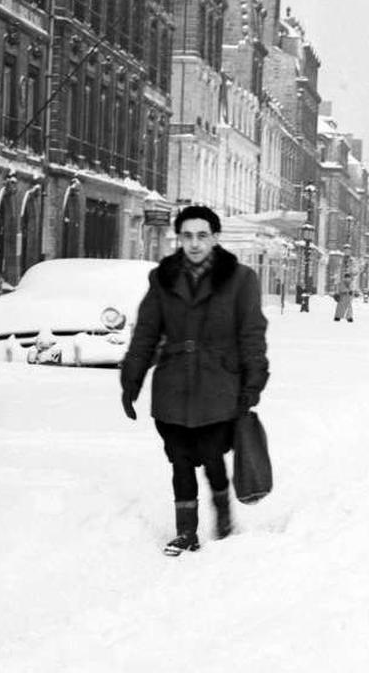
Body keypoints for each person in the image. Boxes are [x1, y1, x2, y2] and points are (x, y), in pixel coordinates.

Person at [120, 205, 269, 556]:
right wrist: (132, 380)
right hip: (173, 386)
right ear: (179, 238)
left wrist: (253, 382)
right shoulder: (163, 278)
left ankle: (223, 513)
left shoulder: (241, 279)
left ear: (215, 238)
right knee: (180, 459)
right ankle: (186, 532)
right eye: (187, 236)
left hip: (219, 386)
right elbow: (146, 332)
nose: (194, 243)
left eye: (202, 235)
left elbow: (251, 334)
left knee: (212, 455)